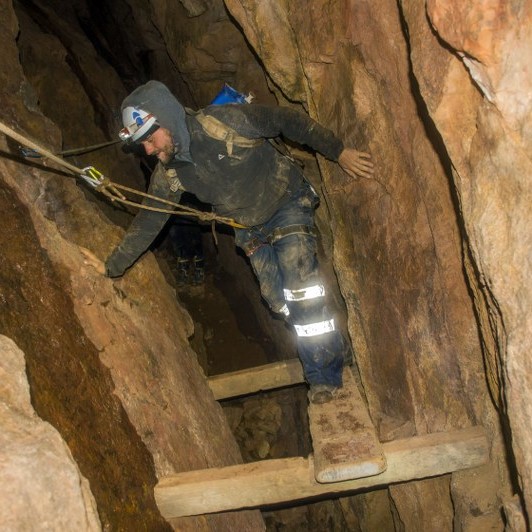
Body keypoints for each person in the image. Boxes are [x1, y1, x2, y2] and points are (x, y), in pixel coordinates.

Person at [83, 80, 373, 404]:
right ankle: (334, 346)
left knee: (300, 286)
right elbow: (148, 222)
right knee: (278, 300)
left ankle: (323, 379)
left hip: (286, 203)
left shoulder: (226, 122)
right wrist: (111, 267)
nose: (148, 150)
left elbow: (287, 121)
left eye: (150, 139)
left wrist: (339, 151)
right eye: (143, 145)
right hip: (249, 228)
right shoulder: (170, 175)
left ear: (168, 119)